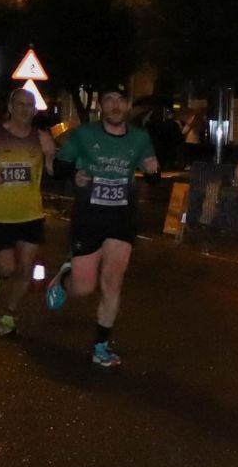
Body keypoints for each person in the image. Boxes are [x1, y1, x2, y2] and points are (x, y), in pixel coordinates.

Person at [53, 84, 159, 368]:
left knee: (113, 283)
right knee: (84, 287)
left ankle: (101, 346)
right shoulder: (84, 134)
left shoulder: (139, 137)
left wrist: (152, 170)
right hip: (89, 218)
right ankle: (65, 280)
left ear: (127, 105)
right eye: (109, 99)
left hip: (122, 218)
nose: (115, 105)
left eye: (120, 100)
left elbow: (153, 174)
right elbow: (59, 166)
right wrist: (76, 174)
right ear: (101, 106)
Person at [0, 85, 59, 337]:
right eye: (20, 104)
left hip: (30, 213)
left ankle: (9, 314)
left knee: (25, 268)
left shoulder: (43, 139)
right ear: (10, 108)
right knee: (9, 268)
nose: (25, 109)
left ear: (35, 110)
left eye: (30, 105)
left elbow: (54, 170)